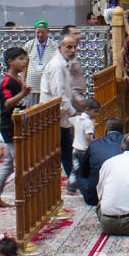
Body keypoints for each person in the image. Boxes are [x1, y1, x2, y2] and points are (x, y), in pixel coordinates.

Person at [0, 47, 31, 207]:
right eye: (20, 59)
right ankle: (26, 195)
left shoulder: (16, 79)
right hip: (9, 127)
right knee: (20, 164)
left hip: (15, 126)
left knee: (9, 164)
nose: (23, 62)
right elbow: (7, 103)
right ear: (10, 62)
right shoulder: (7, 81)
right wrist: (22, 94)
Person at [40, 32, 79, 174]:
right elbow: (59, 95)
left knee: (66, 149)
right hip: (54, 115)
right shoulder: (57, 65)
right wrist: (72, 111)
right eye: (69, 47)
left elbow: (67, 90)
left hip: (60, 115)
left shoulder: (64, 64)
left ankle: (72, 179)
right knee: (62, 149)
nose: (73, 50)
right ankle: (71, 180)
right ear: (60, 47)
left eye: (75, 47)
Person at [76, 117, 125, 207]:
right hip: (125, 194)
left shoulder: (95, 144)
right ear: (123, 131)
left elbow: (84, 169)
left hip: (96, 196)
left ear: (105, 130)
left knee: (78, 172)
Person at [69, 94, 100, 187]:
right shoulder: (88, 122)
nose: (96, 114)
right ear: (87, 109)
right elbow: (88, 137)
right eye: (95, 111)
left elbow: (70, 122)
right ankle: (86, 186)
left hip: (75, 148)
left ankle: (71, 187)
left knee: (75, 169)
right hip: (84, 150)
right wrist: (93, 146)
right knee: (86, 169)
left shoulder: (78, 118)